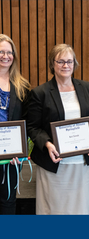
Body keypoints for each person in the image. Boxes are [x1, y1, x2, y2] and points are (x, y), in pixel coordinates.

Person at [26, 44, 89, 215]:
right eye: (60, 61)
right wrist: (47, 144)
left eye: (69, 61)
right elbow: (33, 127)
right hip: (55, 165)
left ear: (75, 64)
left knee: (80, 210)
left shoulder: (86, 88)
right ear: (52, 64)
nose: (65, 65)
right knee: (53, 210)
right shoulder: (41, 93)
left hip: (83, 164)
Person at [0, 34, 30, 214]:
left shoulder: (22, 86)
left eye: (9, 52)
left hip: (11, 157)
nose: (5, 56)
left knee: (7, 200)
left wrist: (20, 149)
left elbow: (27, 121)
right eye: (1, 52)